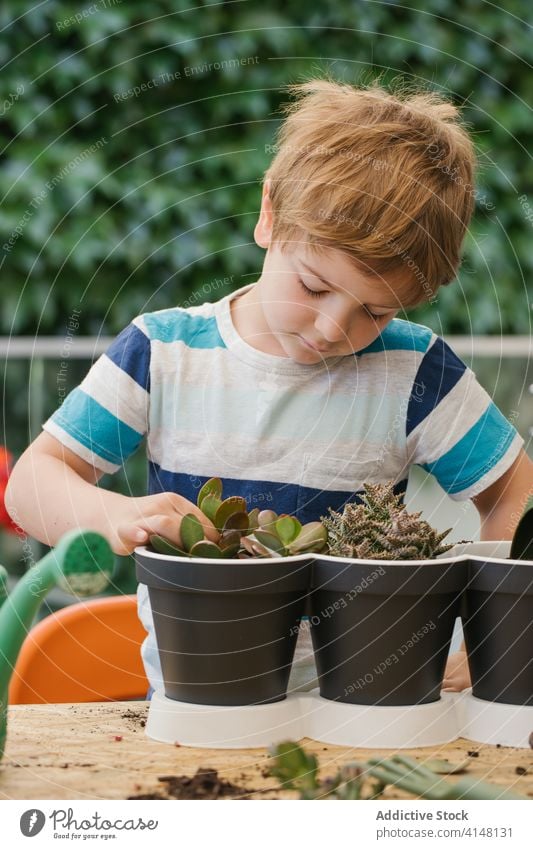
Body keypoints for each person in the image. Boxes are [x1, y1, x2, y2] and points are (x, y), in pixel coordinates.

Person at [6, 77, 532, 698]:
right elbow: (31, 483)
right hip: (196, 704)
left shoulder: (416, 372)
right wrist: (112, 513)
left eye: (376, 312)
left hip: (369, 707)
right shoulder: (162, 352)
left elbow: (514, 493)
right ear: (268, 216)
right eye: (313, 287)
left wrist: (490, 640)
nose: (334, 328)